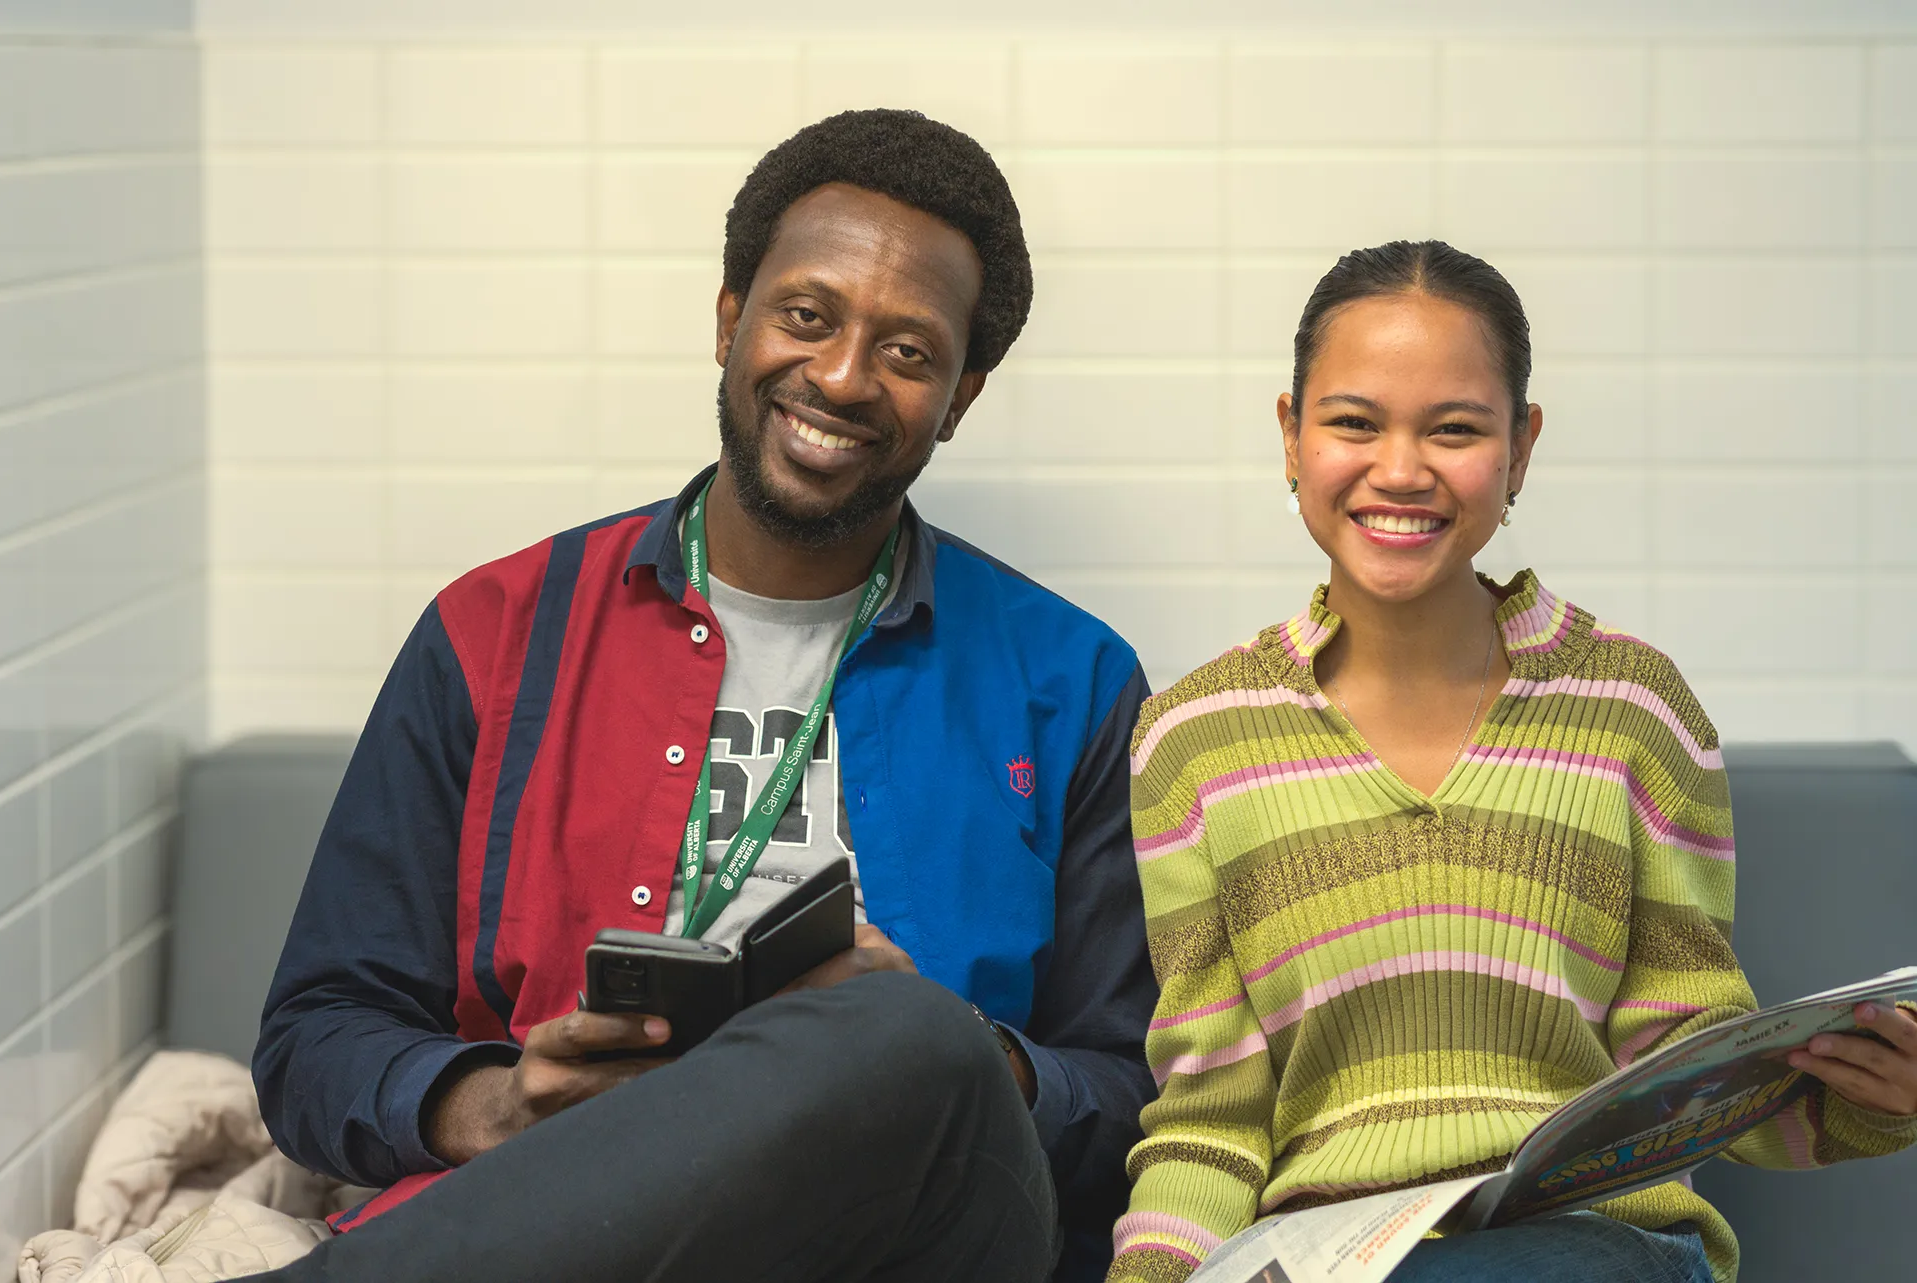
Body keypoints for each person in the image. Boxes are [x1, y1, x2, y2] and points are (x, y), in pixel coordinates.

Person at [249, 109, 1156, 1283]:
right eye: (808, 316)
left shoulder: (1071, 682)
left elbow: (1142, 1092)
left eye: (908, 351)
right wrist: (499, 1102)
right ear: (731, 318)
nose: (840, 376)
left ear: (962, 395)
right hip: (581, 1225)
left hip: (914, 1242)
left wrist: (968, 1059)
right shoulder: (493, 632)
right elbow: (316, 1038)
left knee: (910, 1030)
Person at [1108, 241, 1917, 1283]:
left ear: (1520, 448)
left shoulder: (1634, 706)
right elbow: (1208, 1120)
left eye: (1455, 429)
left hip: (1601, 1248)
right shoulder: (1196, 737)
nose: (1400, 469)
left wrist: (1872, 1095)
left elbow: (1687, 1052)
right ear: (1291, 437)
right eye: (1353, 421)